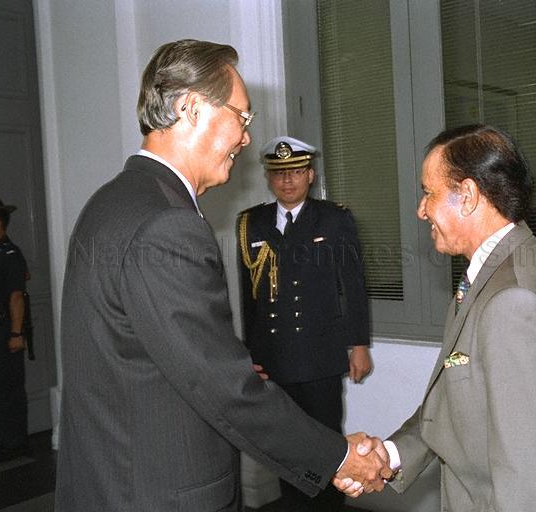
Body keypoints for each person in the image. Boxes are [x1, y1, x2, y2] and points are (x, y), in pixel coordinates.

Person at [54, 39, 390, 512]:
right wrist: (338, 458)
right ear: (191, 109)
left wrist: (219, 360)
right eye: (242, 117)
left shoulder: (110, 202)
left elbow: (132, 349)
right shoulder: (167, 225)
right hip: (162, 490)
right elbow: (222, 388)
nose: (247, 138)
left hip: (113, 477)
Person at [349, 124, 536, 510]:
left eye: (428, 193)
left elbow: (530, 484)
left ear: (466, 196)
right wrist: (390, 455)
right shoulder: (492, 275)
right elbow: (457, 396)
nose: (421, 209)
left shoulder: (516, 300)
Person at [237, 136, 371, 510]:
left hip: (321, 357)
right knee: (286, 449)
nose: (287, 181)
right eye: (278, 174)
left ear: (310, 175)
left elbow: (353, 286)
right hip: (275, 359)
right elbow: (250, 299)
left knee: (327, 445)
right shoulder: (251, 223)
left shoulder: (333, 219)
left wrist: (358, 344)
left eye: (296, 172)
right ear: (267, 177)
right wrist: (251, 355)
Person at [0, 195, 29, 464]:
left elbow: (16, 296)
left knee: (7, 389)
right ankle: (5, 438)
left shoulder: (10, 254)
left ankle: (12, 442)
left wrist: (16, 334)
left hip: (3, 330)